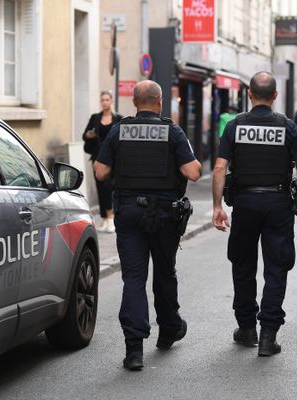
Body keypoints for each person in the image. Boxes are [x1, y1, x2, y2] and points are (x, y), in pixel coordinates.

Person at [94, 80, 202, 370]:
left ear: (134, 102)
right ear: (160, 101)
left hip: (128, 213)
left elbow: (101, 171)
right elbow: (193, 172)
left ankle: (134, 351)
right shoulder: (172, 131)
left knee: (133, 278)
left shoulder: (120, 129)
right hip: (164, 214)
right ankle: (168, 329)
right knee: (165, 273)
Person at [211, 71, 297, 356]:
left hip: (244, 203)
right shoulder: (288, 127)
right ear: (275, 96)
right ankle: (268, 336)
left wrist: (217, 206)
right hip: (278, 204)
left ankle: (246, 329)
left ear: (249, 94)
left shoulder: (234, 127)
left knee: (243, 265)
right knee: (276, 267)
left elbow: (220, 168)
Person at [82, 91, 122, 233]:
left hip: (114, 160)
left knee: (109, 188)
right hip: (98, 158)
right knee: (100, 187)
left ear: (111, 101)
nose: (104, 102)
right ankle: (105, 218)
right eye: (102, 100)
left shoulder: (118, 119)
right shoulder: (95, 118)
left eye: (107, 99)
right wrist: (89, 135)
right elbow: (85, 134)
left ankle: (111, 219)